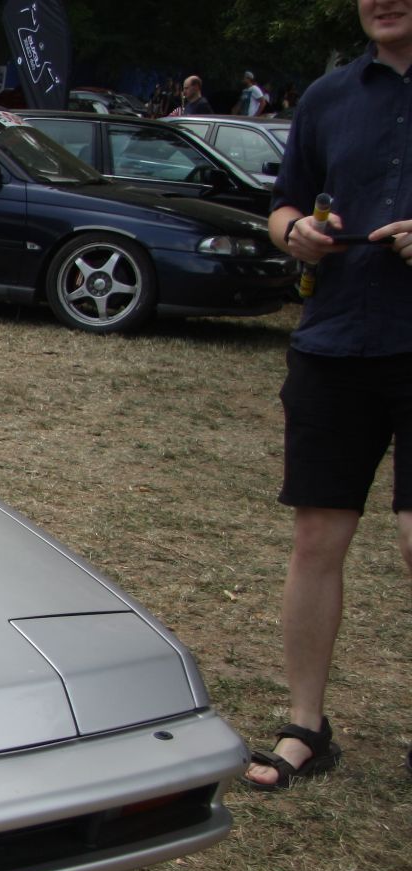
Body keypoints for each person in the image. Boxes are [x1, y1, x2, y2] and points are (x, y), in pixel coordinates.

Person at [248, 0, 412, 791]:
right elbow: (284, 201)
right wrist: (293, 233)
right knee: (317, 539)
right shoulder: (329, 95)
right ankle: (306, 726)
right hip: (336, 341)